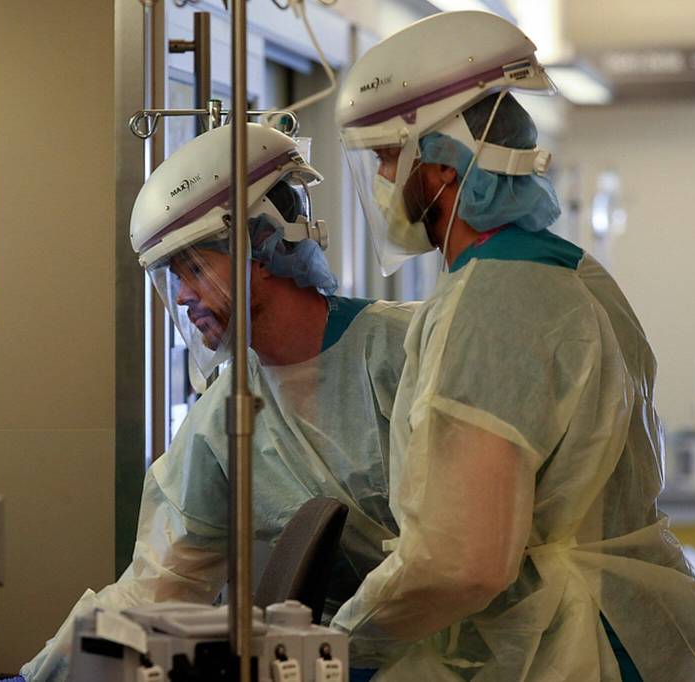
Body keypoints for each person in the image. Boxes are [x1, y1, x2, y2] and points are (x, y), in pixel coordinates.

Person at [330, 10, 695, 681]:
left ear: (440, 164)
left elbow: (463, 561)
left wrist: (344, 640)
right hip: (630, 632)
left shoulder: (489, 303)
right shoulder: (573, 272)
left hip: (569, 647)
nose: (382, 182)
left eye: (387, 158)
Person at [20, 123, 418, 682]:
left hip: (484, 654)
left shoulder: (409, 353)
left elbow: (462, 556)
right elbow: (161, 582)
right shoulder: (225, 415)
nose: (182, 296)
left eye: (195, 267)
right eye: (172, 276)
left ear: (262, 244)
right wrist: (44, 676)